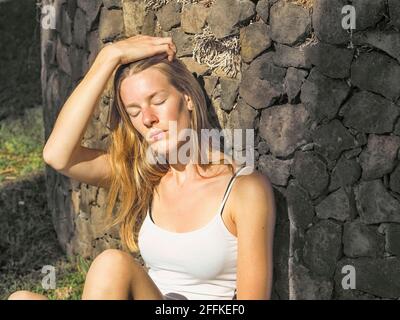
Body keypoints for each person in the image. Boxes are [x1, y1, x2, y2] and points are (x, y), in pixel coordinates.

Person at [8, 35, 276, 300]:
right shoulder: (148, 177)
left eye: (158, 101)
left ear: (188, 100)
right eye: (134, 112)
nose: (148, 119)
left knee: (112, 266)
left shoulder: (244, 189)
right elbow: (58, 155)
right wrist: (108, 57)